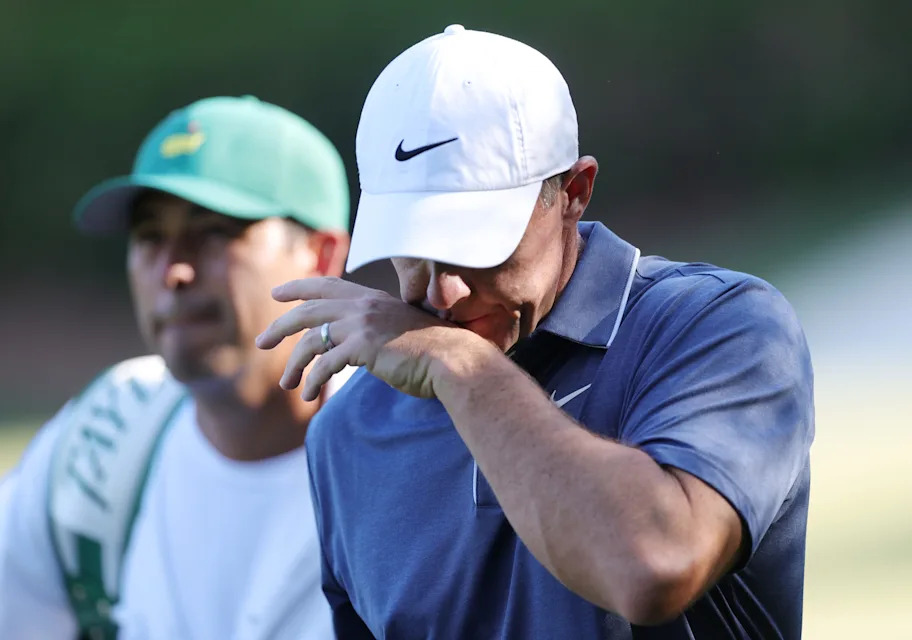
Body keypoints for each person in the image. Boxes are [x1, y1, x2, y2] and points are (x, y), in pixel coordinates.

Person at [256, 25, 814, 639]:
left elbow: (653, 564)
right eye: (411, 250)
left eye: (473, 246)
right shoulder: (349, 432)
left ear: (573, 192)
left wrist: (458, 364)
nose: (442, 294)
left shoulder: (720, 328)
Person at [0, 95, 351, 639]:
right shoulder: (108, 438)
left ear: (323, 256)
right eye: (149, 237)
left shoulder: (412, 459)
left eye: (213, 232)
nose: (174, 270)